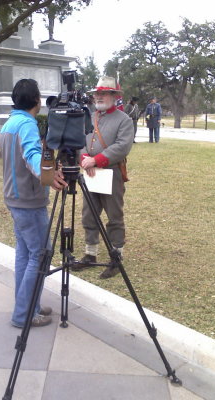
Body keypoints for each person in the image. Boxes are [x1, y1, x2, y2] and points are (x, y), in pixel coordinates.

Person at [0, 79, 67, 328]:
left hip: (15, 199)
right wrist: (49, 175)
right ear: (37, 100)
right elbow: (31, 154)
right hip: (28, 202)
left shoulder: (9, 123)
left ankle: (29, 306)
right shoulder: (26, 124)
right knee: (40, 254)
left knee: (26, 254)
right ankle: (24, 314)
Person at [72, 76, 134, 279]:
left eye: (103, 93)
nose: (99, 96)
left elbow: (122, 146)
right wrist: (83, 158)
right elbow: (80, 139)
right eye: (97, 93)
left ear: (114, 96)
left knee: (114, 216)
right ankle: (90, 254)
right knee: (89, 214)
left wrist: (96, 160)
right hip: (90, 172)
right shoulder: (89, 117)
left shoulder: (124, 120)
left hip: (111, 172)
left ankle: (116, 257)